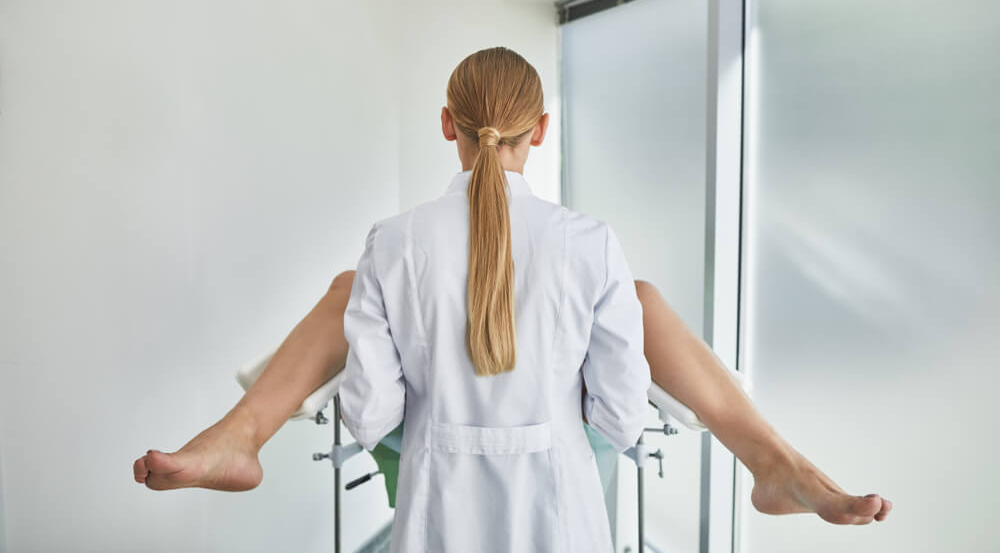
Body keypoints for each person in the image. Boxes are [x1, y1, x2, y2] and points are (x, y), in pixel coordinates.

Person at [133, 48, 893, 538]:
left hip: (436, 500)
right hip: (562, 499)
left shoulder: (391, 243)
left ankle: (239, 434)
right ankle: (775, 462)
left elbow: (372, 415)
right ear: (542, 130)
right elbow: (622, 418)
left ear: (446, 126)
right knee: (642, 296)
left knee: (351, 287)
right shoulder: (589, 242)